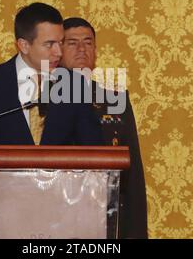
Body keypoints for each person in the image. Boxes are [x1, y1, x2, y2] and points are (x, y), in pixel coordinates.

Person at [0, 3, 103, 163]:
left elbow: (94, 150)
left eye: (60, 42)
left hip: (58, 188)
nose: (59, 52)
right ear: (24, 45)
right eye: (49, 44)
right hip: (2, 187)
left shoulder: (74, 85)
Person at [60, 17, 148, 239]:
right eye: (72, 42)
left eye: (88, 42)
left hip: (107, 220)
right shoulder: (44, 101)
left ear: (96, 49)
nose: (81, 49)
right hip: (58, 219)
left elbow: (133, 176)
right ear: (58, 50)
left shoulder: (115, 101)